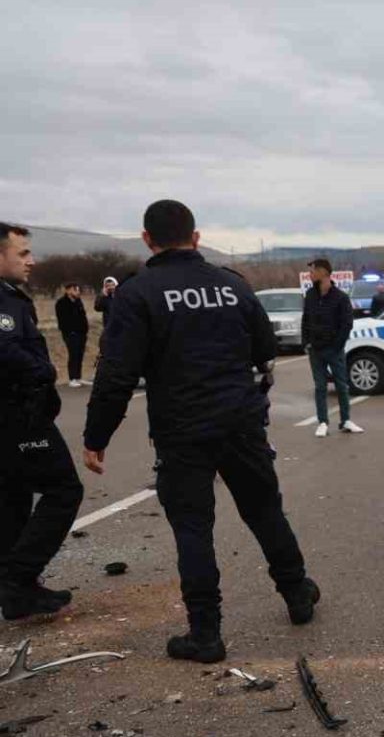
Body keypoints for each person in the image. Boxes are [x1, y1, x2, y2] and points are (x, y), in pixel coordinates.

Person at [83, 200, 319, 662]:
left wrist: (96, 437)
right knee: (264, 510)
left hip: (182, 429)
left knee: (193, 527)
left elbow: (116, 374)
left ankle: (205, 633)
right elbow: (265, 348)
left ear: (147, 239)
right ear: (195, 237)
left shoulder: (137, 293)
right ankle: (296, 592)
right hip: (240, 421)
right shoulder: (232, 284)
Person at [0, 223, 83, 620]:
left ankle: (18, 592)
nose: (31, 261)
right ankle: (17, 578)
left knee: (12, 498)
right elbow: (4, 351)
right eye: (22, 253)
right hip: (16, 414)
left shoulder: (10, 296)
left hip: (16, 413)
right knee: (64, 489)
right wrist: (45, 372)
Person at [301, 258, 362, 438]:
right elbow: (306, 320)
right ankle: (322, 422)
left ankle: (346, 420)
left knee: (342, 385)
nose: (310, 274)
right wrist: (306, 342)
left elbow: (347, 324)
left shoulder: (341, 297)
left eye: (312, 271)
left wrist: (337, 346)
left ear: (323, 272)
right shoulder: (310, 295)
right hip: (315, 350)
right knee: (320, 387)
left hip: (334, 350)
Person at [54, 282, 90, 387]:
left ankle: (78, 377)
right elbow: (62, 320)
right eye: (75, 290)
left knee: (80, 354)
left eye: (78, 290)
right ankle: (72, 378)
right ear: (68, 290)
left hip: (81, 333)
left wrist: (85, 329)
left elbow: (83, 316)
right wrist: (69, 331)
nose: (77, 292)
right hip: (70, 334)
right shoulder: (61, 303)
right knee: (73, 354)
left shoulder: (78, 302)